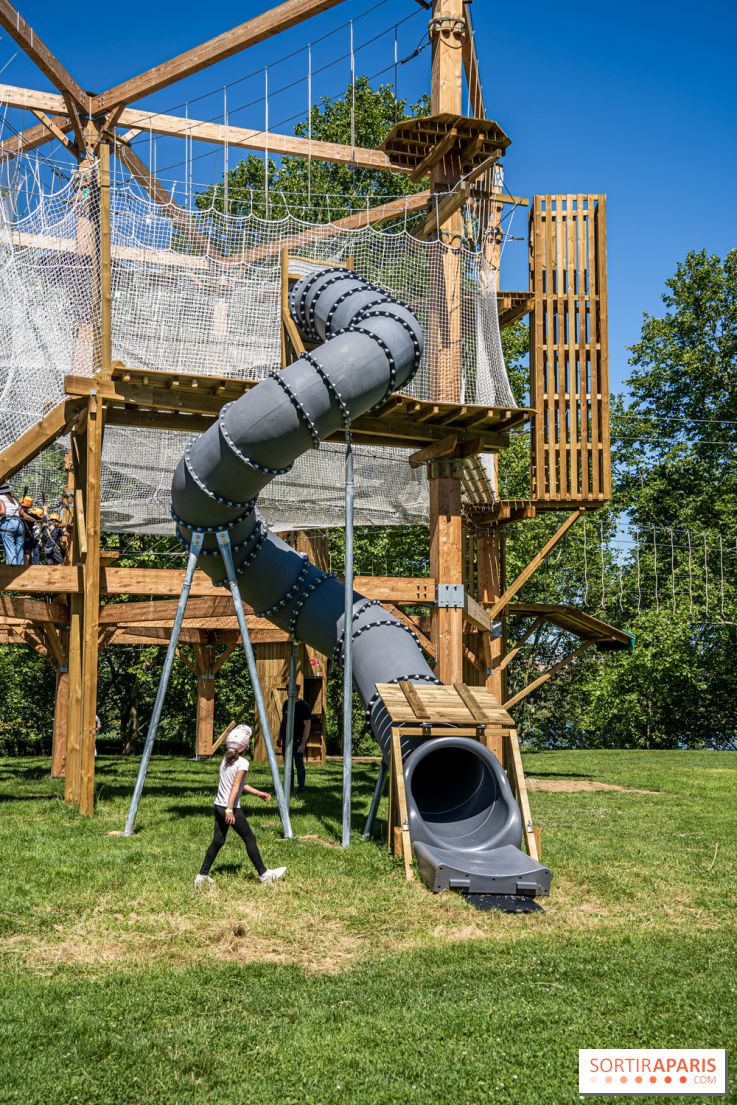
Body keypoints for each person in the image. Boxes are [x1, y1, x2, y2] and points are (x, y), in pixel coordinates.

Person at [195, 725, 286, 888]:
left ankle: (202, 875)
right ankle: (264, 875)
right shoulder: (243, 762)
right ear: (245, 746)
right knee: (249, 838)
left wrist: (258, 793)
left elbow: (239, 784)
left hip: (218, 806)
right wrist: (230, 809)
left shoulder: (226, 760)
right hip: (229, 809)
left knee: (218, 840)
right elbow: (235, 786)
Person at [277, 687, 311, 794]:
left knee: (299, 764)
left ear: (298, 691)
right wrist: (279, 736)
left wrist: (303, 743)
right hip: (286, 740)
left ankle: (301, 787)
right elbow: (284, 721)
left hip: (298, 740)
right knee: (288, 765)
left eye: (293, 690)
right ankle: (289, 788)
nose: (290, 692)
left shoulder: (304, 706)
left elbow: (307, 726)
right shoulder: (286, 703)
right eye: (289, 690)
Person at [0, 482, 25, 565]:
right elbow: (23, 514)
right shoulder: (14, 499)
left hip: (8, 523)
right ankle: (21, 569)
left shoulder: (0, 497)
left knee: (10, 550)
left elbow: (2, 512)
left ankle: (13, 571)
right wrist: (38, 520)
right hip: (19, 524)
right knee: (19, 550)